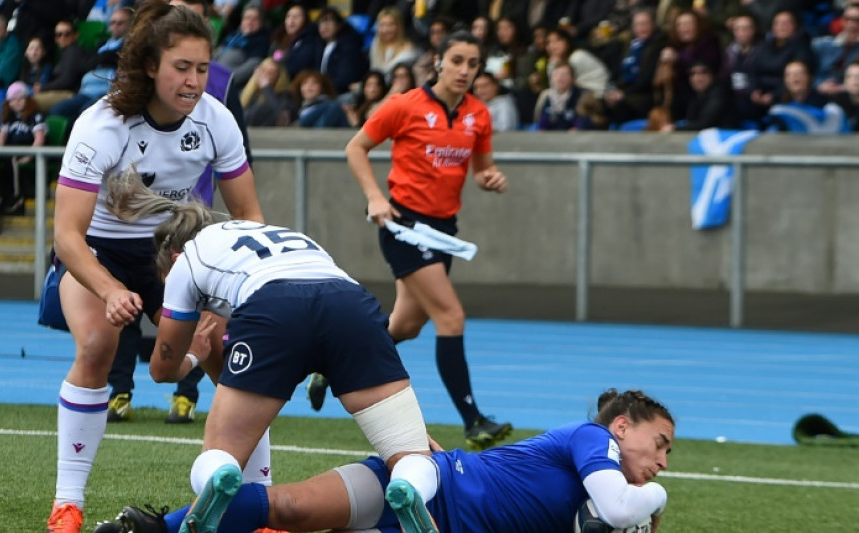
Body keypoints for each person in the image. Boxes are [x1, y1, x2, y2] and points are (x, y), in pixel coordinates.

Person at [94, 166, 440, 533]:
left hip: (274, 308)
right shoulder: (281, 235)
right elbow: (317, 319)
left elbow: (162, 370)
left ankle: (219, 476)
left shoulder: (186, 261)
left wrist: (193, 352)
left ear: (172, 257)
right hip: (351, 303)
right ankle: (410, 482)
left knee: (221, 452)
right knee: (412, 453)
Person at [45, 2, 264, 532]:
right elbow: (66, 236)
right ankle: (67, 505)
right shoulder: (101, 125)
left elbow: (249, 218)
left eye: (202, 68)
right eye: (181, 68)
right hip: (97, 254)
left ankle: (261, 505)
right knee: (98, 344)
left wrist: (226, 302)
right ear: (150, 66)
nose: (194, 80)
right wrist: (110, 289)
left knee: (235, 358)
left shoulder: (217, 119)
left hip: (173, 254)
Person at [94, 388, 673, 533]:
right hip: (427, 484)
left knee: (290, 509)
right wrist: (658, 500)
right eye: (661, 442)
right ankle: (157, 526)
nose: (663, 461)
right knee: (288, 505)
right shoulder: (594, 439)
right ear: (622, 426)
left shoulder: (588, 501)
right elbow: (624, 509)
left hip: (431, 508)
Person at [342, 30, 512, 451]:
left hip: (444, 231)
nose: (465, 70)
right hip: (403, 226)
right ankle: (474, 420)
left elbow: (480, 169)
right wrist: (375, 197)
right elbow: (356, 147)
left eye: (473, 64)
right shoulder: (405, 105)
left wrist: (489, 179)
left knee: (406, 325)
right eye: (457, 60)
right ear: (439, 61)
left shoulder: (478, 115)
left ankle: (336, 362)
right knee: (450, 317)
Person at [0, 81, 47, 215]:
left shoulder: (35, 116)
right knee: (0, 162)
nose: (16, 102)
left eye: (20, 99)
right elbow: (2, 136)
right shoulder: (9, 116)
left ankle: (16, 199)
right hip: (10, 151)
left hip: (27, 151)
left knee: (12, 162)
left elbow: (39, 139)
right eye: (13, 100)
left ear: (27, 99)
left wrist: (29, 156)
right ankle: (1, 198)